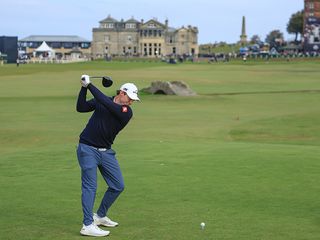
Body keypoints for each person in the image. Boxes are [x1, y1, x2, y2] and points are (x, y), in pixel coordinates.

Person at [76, 75, 140, 237]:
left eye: (133, 99)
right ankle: (87, 225)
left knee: (118, 185)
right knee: (90, 187)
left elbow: (107, 103)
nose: (131, 102)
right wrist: (83, 88)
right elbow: (81, 108)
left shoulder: (126, 112)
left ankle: (100, 216)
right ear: (122, 92)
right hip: (87, 148)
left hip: (106, 152)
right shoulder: (103, 100)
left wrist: (90, 85)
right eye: (130, 98)